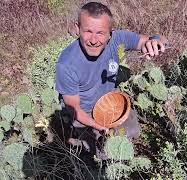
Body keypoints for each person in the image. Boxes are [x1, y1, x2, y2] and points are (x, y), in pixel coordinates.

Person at [55, 2, 168, 159]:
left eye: (100, 33)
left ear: (110, 33)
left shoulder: (117, 39)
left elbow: (155, 38)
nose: (93, 40)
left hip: (110, 104)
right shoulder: (67, 63)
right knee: (101, 155)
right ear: (77, 28)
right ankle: (75, 140)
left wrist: (155, 42)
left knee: (133, 133)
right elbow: (74, 109)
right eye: (88, 31)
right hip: (86, 114)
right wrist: (99, 126)